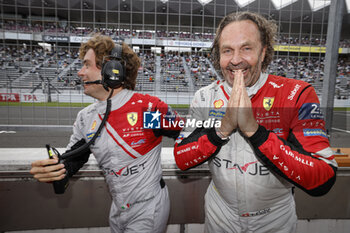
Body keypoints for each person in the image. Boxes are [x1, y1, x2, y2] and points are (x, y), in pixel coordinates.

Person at [174, 11, 337, 233]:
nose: (235, 60)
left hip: (275, 219)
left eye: (246, 48)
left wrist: (255, 131)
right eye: (227, 50)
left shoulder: (297, 93)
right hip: (220, 214)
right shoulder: (204, 97)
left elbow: (323, 178)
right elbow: (181, 159)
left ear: (263, 52)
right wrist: (222, 130)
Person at [30, 34, 182, 233]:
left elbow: (185, 132)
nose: (80, 73)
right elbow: (73, 159)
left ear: (112, 70)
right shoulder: (86, 117)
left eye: (86, 65)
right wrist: (56, 170)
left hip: (148, 209)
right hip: (117, 208)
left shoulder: (146, 109)